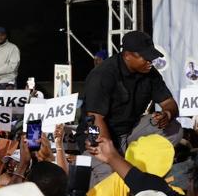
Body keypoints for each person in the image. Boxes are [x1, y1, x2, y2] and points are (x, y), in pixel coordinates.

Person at [75, 31, 180, 159]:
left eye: (151, 56)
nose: (150, 61)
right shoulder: (103, 75)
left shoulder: (151, 73)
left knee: (175, 129)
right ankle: (116, 160)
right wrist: (111, 154)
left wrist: (167, 114)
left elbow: (169, 103)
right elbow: (95, 118)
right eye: (145, 57)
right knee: (113, 174)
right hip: (101, 135)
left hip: (130, 132)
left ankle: (135, 159)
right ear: (127, 55)